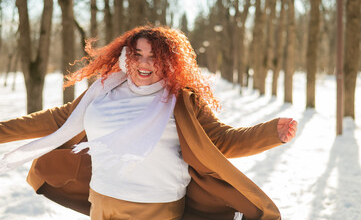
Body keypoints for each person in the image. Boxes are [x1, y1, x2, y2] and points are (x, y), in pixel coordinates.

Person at [0, 25, 297, 220]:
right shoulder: (103, 90)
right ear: (126, 56)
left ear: (170, 62)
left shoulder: (181, 99)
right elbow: (58, 119)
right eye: (138, 55)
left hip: (157, 206)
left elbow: (222, 141)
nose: (144, 64)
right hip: (103, 201)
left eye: (154, 57)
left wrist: (271, 133)